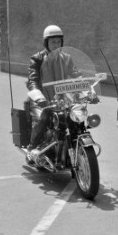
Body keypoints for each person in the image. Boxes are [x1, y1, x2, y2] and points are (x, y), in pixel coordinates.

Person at [25, 25, 81, 164]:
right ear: (46, 43)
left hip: (63, 99)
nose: (56, 44)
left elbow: (75, 75)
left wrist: (86, 88)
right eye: (53, 42)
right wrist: (39, 97)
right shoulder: (37, 59)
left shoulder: (67, 58)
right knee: (42, 119)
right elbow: (33, 80)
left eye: (58, 41)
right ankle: (31, 147)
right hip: (42, 99)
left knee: (77, 118)